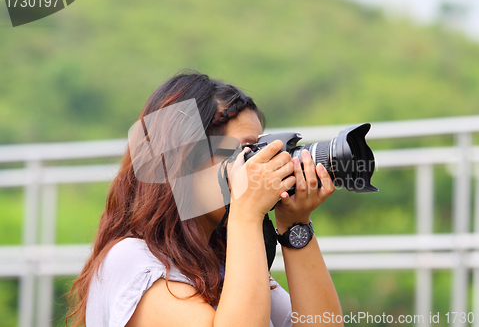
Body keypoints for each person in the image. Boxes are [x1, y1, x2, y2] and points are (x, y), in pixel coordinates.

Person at [67, 71, 343, 327]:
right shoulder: (133, 261)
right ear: (184, 159)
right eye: (249, 150)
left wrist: (295, 225)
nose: (261, 164)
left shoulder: (222, 260)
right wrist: (246, 214)